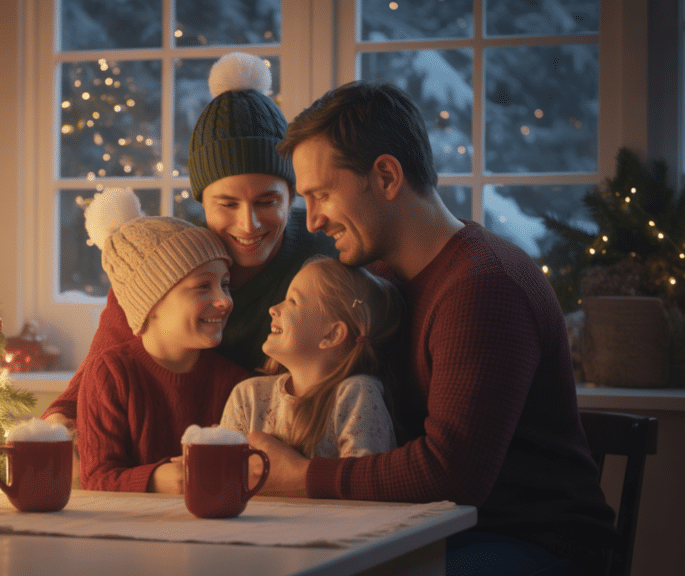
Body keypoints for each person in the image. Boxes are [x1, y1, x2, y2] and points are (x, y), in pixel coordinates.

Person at [250, 81, 616, 575]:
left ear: (385, 176)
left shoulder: (484, 286)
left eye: (322, 195)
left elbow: (452, 474)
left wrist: (301, 478)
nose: (312, 221)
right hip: (426, 530)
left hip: (530, 542)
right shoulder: (377, 283)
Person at [43, 52, 335, 430]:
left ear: (291, 196)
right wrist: (61, 419)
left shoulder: (323, 256)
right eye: (227, 203)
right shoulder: (162, 261)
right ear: (201, 200)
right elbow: (107, 362)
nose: (249, 223)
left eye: (267, 201)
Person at [76, 188, 251, 494]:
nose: (224, 301)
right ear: (151, 303)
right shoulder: (110, 374)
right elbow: (96, 478)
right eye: (203, 287)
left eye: (225, 285)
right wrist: (156, 480)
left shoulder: (236, 382)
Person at [220, 255, 402, 459]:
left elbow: (360, 481)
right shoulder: (248, 397)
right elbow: (224, 476)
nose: (273, 309)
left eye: (293, 301)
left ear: (331, 335)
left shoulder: (356, 395)